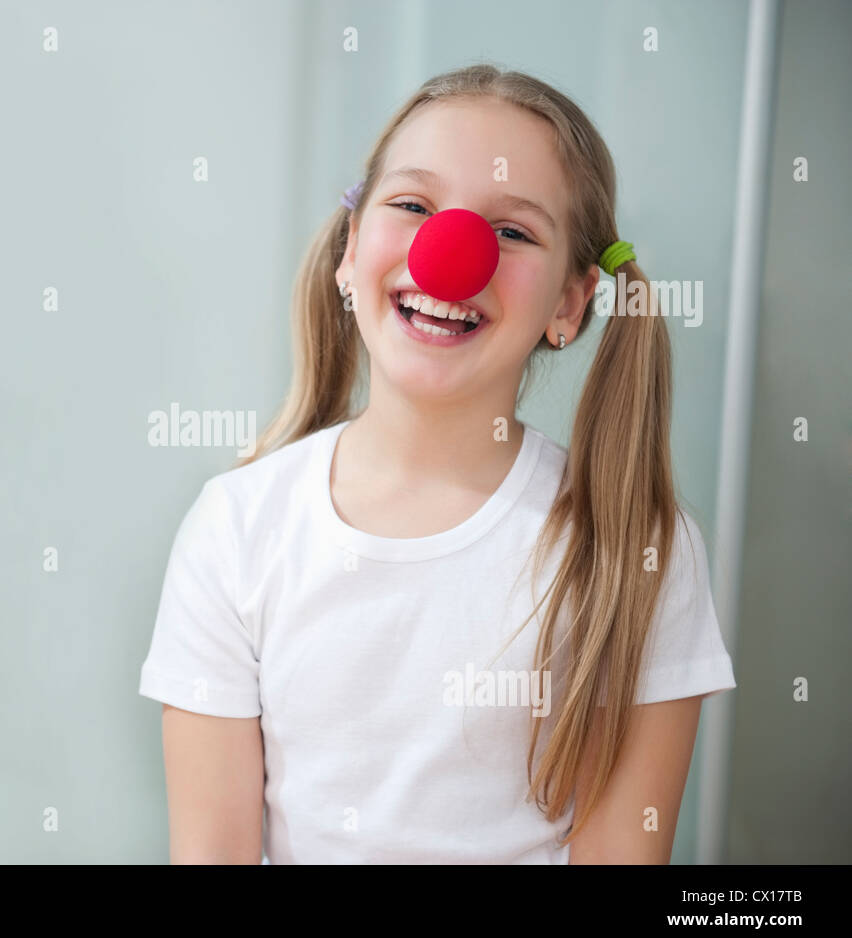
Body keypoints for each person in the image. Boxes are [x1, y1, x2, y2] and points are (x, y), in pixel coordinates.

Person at [138, 63, 736, 864]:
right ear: (352, 252)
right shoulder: (237, 527)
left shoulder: (636, 549)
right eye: (414, 206)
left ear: (569, 303)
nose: (452, 253)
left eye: (514, 232)